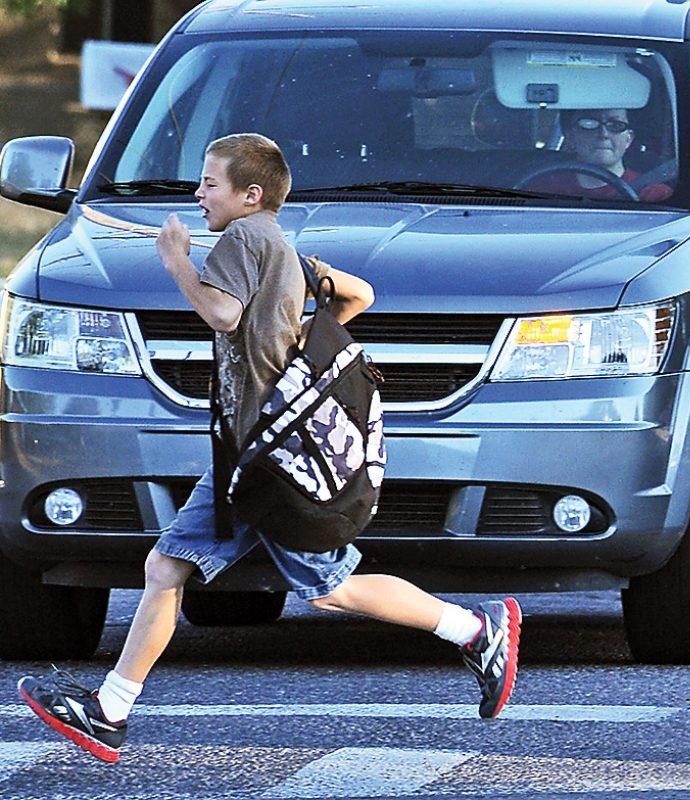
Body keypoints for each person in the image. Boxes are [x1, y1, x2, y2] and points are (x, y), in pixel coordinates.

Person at [16, 133, 523, 764]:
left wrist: (176, 261)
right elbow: (360, 295)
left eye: (209, 183)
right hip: (253, 451)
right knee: (170, 567)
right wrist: (294, 339)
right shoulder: (283, 246)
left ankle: (476, 630)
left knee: (327, 585)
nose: (198, 194)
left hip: (264, 456)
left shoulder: (242, 238)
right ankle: (111, 710)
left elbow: (223, 315)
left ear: (249, 195)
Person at [531, 108, 673, 202]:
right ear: (571, 136)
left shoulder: (655, 195)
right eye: (589, 124)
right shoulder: (542, 190)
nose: (603, 134)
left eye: (616, 125)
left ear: (629, 138)